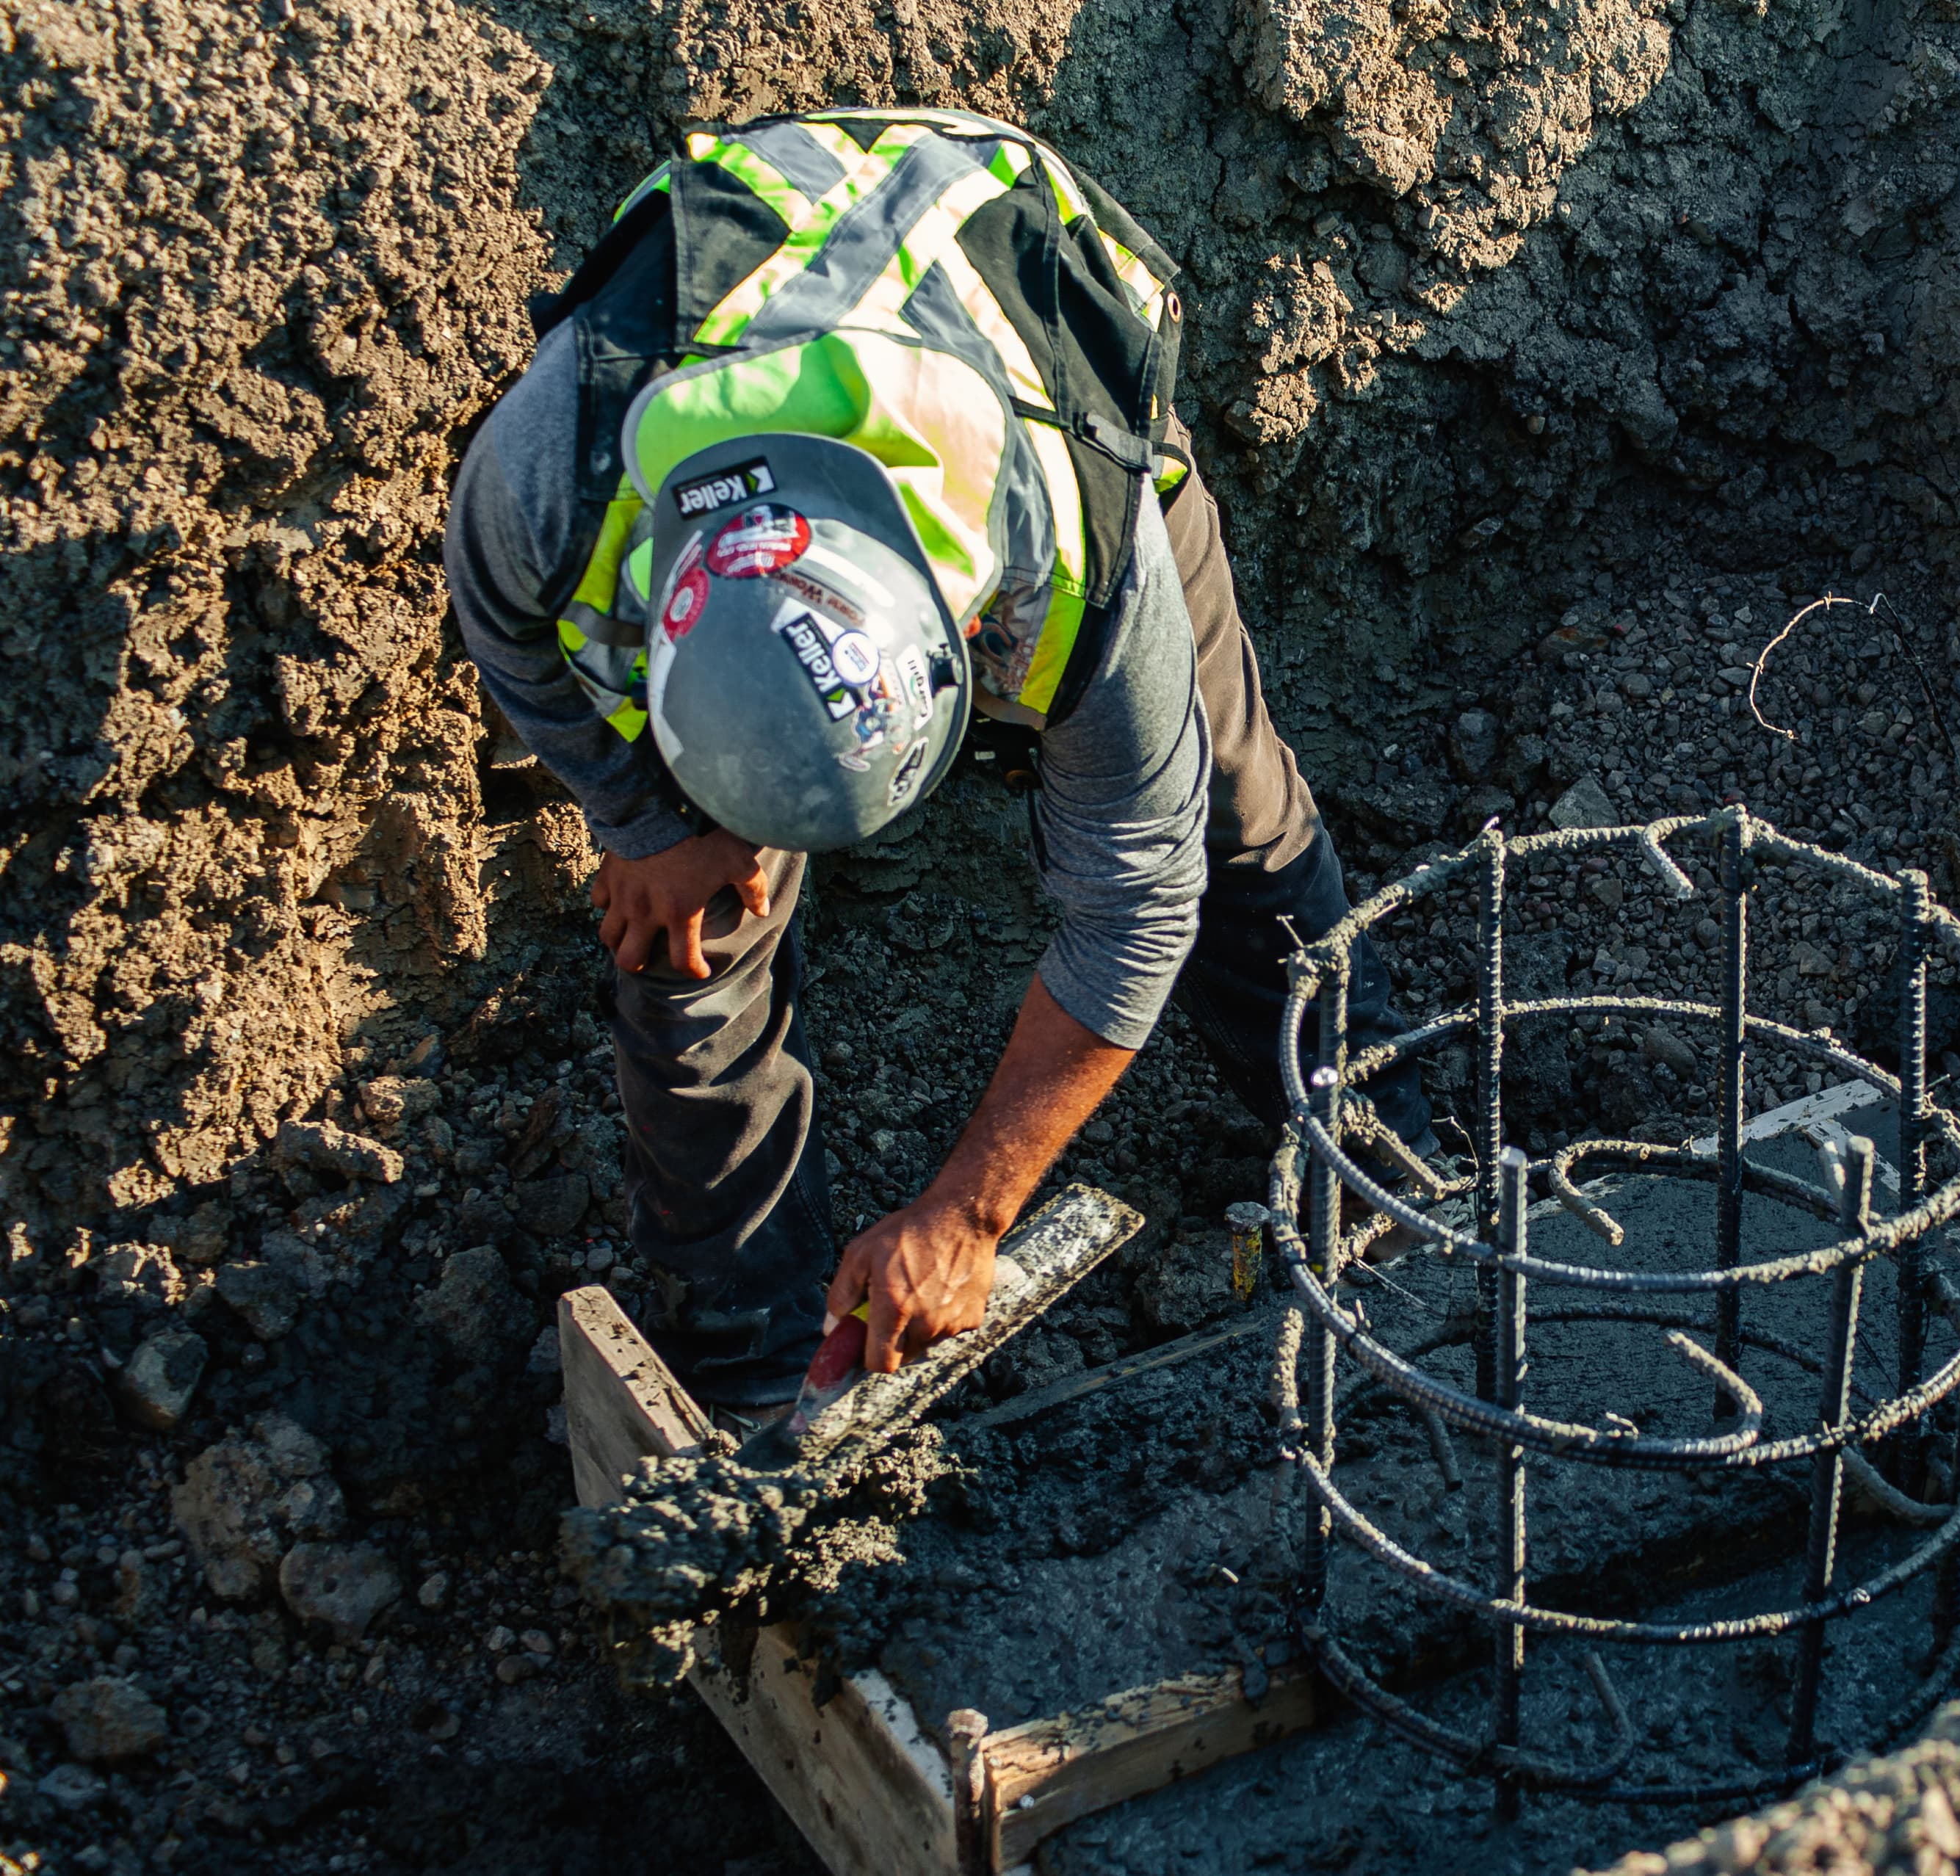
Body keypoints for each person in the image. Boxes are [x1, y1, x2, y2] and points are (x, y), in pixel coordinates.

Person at [445, 106, 1425, 1430]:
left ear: (971, 636)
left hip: (1029, 329)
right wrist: (644, 817)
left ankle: (1381, 1154)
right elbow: (499, 617)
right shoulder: (554, 468)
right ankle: (752, 1363)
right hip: (752, 308)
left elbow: (1139, 897)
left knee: (1235, 813)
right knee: (688, 938)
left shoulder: (1078, 547)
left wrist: (971, 1209)